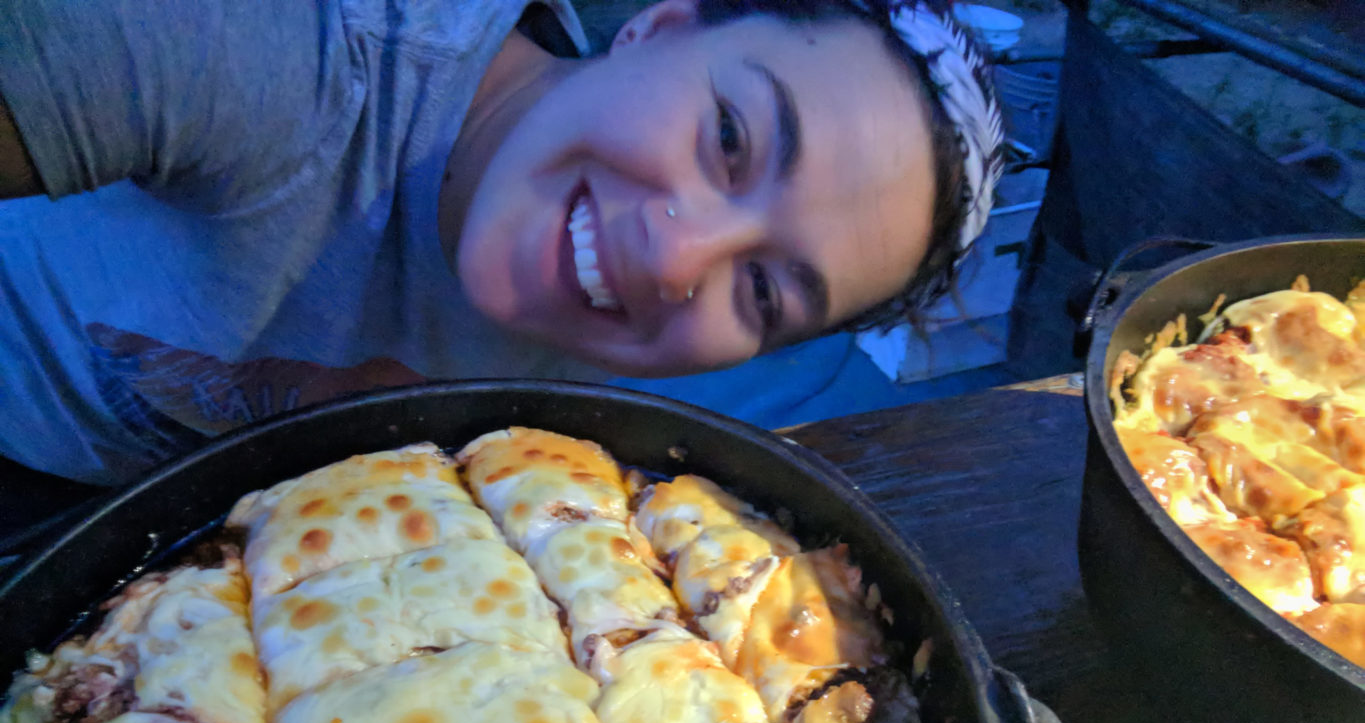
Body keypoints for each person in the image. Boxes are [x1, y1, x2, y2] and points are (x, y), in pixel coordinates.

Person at [0, 0, 1002, 485]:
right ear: (658, 27)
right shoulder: (282, 43)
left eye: (767, 294)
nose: (674, 259)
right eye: (730, 139)